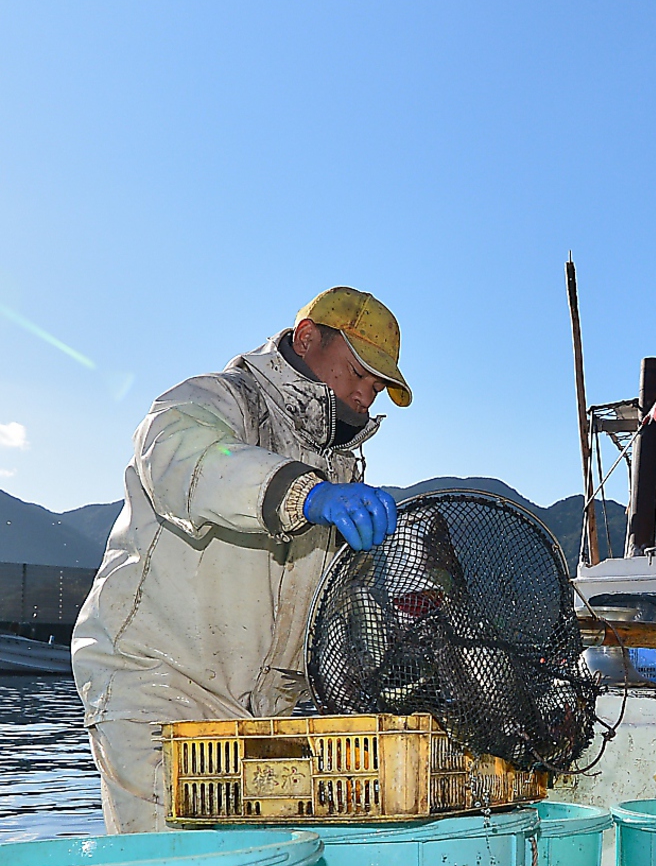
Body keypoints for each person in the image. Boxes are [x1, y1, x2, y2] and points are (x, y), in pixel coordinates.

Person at [72, 286, 411, 834]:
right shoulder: (219, 400)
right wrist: (304, 494)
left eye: (375, 388)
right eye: (357, 373)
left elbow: (333, 615)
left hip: (262, 718)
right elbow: (180, 456)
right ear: (307, 338)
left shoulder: (341, 471)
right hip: (158, 689)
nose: (363, 398)